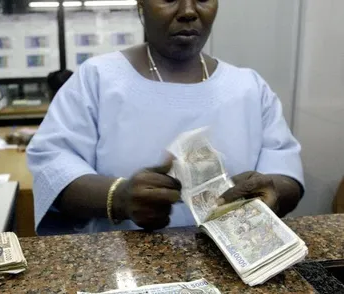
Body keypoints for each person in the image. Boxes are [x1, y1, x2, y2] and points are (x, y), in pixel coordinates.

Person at [27, 0, 304, 235]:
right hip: (122, 266)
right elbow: (53, 167)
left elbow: (287, 173)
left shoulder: (249, 87)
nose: (188, 11)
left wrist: (270, 191)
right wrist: (119, 197)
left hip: (232, 265)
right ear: (140, 4)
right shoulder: (98, 79)